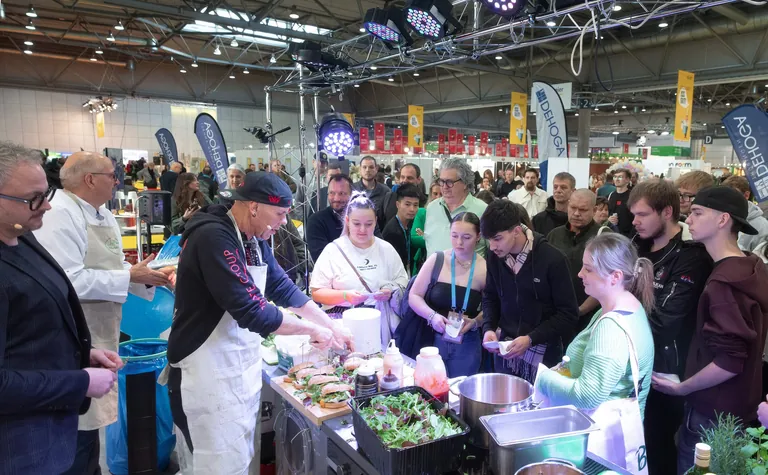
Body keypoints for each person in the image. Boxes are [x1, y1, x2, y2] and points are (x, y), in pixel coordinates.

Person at [168, 172, 352, 474]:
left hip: (236, 366)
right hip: (206, 370)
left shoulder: (253, 237)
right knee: (215, 465)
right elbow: (252, 310)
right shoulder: (213, 236)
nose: (284, 222)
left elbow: (280, 286)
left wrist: (330, 325)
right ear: (254, 207)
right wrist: (312, 329)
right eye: (280, 214)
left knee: (241, 460)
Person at [32, 151, 169, 473]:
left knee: (92, 426)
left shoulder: (102, 214)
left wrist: (145, 278)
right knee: (76, 427)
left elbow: (114, 267)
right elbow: (67, 281)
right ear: (90, 179)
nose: (117, 182)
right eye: (111, 175)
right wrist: (129, 276)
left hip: (102, 329)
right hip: (73, 332)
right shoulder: (59, 214)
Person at [0, 142, 120, 474]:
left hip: (55, 430)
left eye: (46, 194)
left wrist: (81, 352)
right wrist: (79, 382)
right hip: (20, 448)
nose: (47, 206)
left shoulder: (23, 237)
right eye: (33, 198)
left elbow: (30, 325)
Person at [650, 187, 768, 474]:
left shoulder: (724, 283)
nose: (688, 220)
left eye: (697, 213)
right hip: (740, 407)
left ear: (723, 219)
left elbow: (730, 361)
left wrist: (681, 388)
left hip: (712, 413)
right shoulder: (752, 266)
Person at [627, 179, 713, 474]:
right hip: (630, 361)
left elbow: (665, 322)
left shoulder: (691, 257)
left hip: (664, 370)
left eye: (642, 214)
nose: (635, 222)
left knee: (656, 443)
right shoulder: (636, 245)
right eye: (633, 215)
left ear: (666, 212)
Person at [535, 233, 655, 418]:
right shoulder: (627, 307)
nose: (580, 274)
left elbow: (587, 396)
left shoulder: (612, 329)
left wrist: (543, 377)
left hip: (599, 430)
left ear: (615, 276)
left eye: (588, 269)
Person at [480, 200, 579, 383]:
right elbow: (490, 297)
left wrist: (531, 339)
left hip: (544, 354)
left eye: (497, 238)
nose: (492, 246)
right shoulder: (494, 256)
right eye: (489, 240)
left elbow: (568, 314)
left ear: (517, 231)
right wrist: (488, 328)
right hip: (506, 349)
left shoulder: (552, 259)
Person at [310, 191, 408, 344]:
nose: (362, 229)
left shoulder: (386, 249)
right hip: (342, 323)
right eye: (356, 224)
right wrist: (345, 295)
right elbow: (316, 292)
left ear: (375, 222)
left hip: (380, 323)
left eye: (368, 224)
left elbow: (403, 281)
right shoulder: (333, 250)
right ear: (347, 221)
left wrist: (390, 290)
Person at [408, 213, 486, 377]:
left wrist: (475, 322)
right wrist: (432, 316)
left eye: (466, 237)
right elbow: (414, 295)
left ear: (478, 236)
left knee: (460, 389)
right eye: (454, 235)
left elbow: (492, 307)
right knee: (429, 387)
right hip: (432, 337)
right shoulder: (437, 260)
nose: (459, 242)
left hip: (467, 341)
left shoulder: (484, 268)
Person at [546, 189, 602, 337]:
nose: (576, 213)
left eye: (583, 210)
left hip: (589, 319)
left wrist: (580, 310)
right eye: (573, 208)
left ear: (594, 210)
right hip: (555, 316)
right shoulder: (554, 235)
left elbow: (607, 283)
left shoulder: (604, 238)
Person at [424, 158, 488, 258]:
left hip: (470, 268)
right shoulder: (432, 208)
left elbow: (494, 249)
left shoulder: (483, 210)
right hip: (434, 268)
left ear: (465, 183)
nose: (444, 187)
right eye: (441, 181)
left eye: (449, 182)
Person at [307, 174, 353, 262]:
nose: (336, 198)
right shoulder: (316, 221)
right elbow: (322, 260)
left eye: (342, 193)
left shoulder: (363, 218)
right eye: (332, 193)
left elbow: (374, 249)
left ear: (351, 195)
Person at [722, 175, 768, 251]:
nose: (728, 200)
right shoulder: (721, 218)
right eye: (725, 196)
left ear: (746, 195)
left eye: (733, 196)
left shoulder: (762, 226)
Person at [382, 184, 421, 274]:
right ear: (398, 204)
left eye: (415, 205)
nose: (412, 209)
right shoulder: (392, 231)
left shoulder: (410, 224)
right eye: (407, 204)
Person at [378, 163, 425, 231]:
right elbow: (379, 224)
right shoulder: (389, 198)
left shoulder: (425, 203)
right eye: (402, 177)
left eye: (409, 178)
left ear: (418, 180)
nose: (405, 180)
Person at [532, 172, 574, 236]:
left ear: (573, 191)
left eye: (563, 187)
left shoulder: (577, 219)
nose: (558, 190)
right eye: (555, 187)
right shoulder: (539, 219)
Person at [607, 168, 634, 237]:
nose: (617, 179)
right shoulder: (611, 195)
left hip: (627, 235)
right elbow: (607, 212)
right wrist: (608, 219)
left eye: (620, 177)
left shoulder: (632, 196)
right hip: (612, 234)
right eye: (615, 177)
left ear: (627, 180)